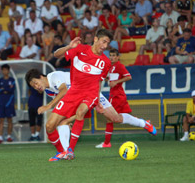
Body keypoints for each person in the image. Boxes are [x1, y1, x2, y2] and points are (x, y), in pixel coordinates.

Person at [25, 67, 156, 158]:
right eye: (34, 86)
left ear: (41, 77)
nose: (37, 87)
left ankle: (144, 123)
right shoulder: (49, 91)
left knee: (116, 118)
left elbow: (64, 91)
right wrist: (69, 117)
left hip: (91, 92)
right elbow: (64, 101)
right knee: (63, 121)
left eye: (36, 83)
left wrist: (48, 106)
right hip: (79, 100)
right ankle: (66, 153)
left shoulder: (53, 77)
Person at [38, 29, 113, 161]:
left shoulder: (105, 62)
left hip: (91, 93)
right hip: (73, 91)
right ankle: (61, 152)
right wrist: (68, 46)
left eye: (108, 43)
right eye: (104, 41)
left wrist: (98, 101)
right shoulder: (80, 49)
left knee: (80, 112)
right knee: (49, 126)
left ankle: (70, 150)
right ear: (96, 39)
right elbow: (56, 54)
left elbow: (99, 82)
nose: (105, 46)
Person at [95, 48, 156, 148]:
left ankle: (107, 143)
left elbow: (128, 76)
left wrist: (116, 82)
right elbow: (112, 78)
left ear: (118, 57)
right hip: (115, 95)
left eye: (114, 55)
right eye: (110, 55)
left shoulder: (119, 66)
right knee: (116, 118)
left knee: (110, 119)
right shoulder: (111, 67)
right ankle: (143, 123)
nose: (112, 57)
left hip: (117, 96)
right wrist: (108, 79)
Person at [0, 64, 16, 144]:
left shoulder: (12, 79)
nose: (4, 71)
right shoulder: (0, 80)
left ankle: (9, 136)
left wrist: (3, 89)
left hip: (9, 103)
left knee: (9, 120)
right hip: (1, 103)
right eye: (3, 70)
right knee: (1, 120)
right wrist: (6, 89)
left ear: (8, 70)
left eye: (6, 70)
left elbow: (12, 90)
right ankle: (0, 137)